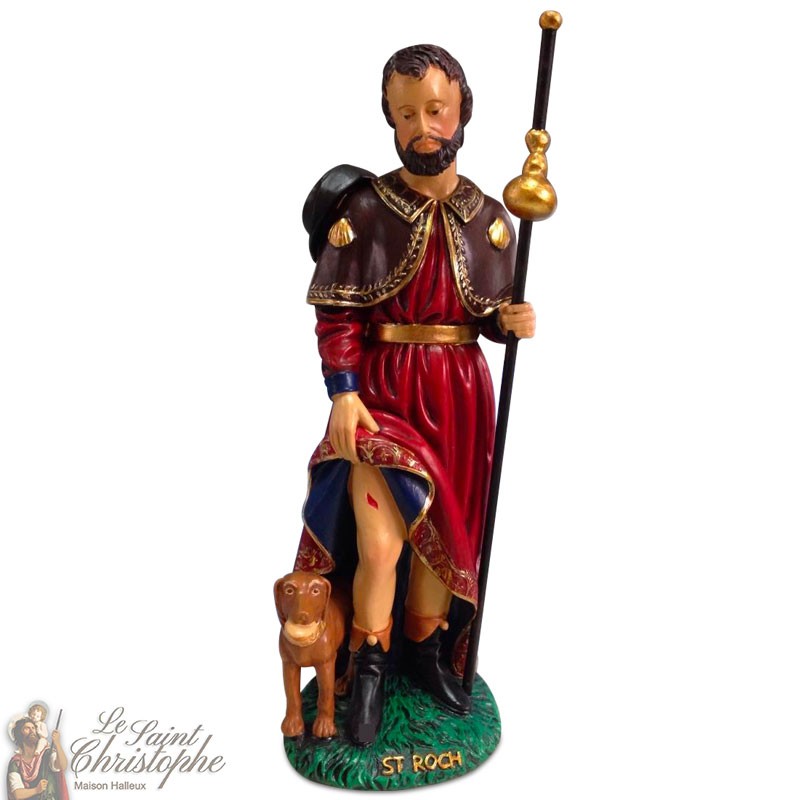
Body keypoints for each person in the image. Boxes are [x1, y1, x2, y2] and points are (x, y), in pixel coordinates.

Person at [295, 44, 535, 746]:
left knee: (443, 539)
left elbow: (486, 311)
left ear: (462, 113)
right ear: (390, 119)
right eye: (406, 114)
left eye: (435, 110)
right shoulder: (366, 209)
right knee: (380, 543)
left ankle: (425, 650)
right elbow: (338, 313)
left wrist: (508, 321)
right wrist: (343, 392)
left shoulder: (490, 216)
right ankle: (369, 663)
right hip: (384, 396)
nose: (422, 128)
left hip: (459, 397)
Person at [7, 717, 68, 800]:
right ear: (19, 734)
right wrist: (36, 790)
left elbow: (62, 766)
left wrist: (57, 743)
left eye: (33, 728)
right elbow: (17, 794)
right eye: (27, 728)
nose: (32, 731)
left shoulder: (46, 753)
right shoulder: (16, 762)